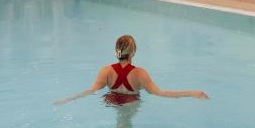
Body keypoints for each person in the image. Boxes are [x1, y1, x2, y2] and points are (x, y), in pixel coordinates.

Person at [55, 35, 209, 105]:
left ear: (116, 52)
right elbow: (161, 93)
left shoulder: (105, 71)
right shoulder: (140, 74)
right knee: (124, 126)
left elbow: (90, 91)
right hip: (130, 103)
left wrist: (67, 99)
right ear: (134, 53)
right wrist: (191, 93)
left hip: (111, 101)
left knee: (122, 126)